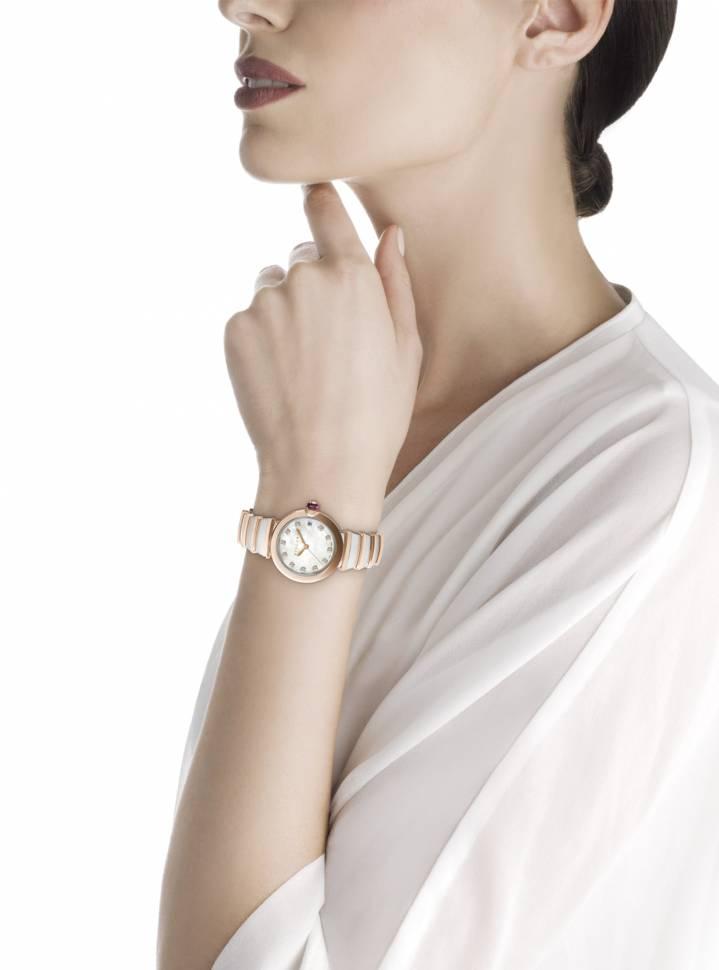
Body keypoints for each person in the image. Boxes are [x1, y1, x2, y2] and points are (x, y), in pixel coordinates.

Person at [157, 2, 719, 968]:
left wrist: (309, 502)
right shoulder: (356, 407)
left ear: (556, 15)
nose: (243, 4)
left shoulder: (651, 484)